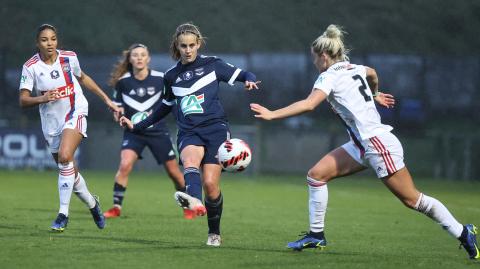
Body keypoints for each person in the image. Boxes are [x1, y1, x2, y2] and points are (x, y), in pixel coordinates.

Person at [250, 24, 479, 259]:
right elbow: (372, 73)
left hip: (377, 144)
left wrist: (272, 114)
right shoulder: (354, 67)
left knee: (413, 200)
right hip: (362, 144)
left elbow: (309, 104)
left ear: (324, 56)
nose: (314, 63)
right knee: (316, 175)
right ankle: (316, 235)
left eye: (314, 58)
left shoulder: (327, 76)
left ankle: (463, 232)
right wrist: (376, 94)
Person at [119, 23, 260, 246]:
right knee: (190, 161)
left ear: (199, 44)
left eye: (192, 45)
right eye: (183, 46)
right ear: (177, 45)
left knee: (211, 186)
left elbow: (243, 73)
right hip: (189, 131)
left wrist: (249, 79)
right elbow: (163, 108)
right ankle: (193, 200)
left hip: (215, 129)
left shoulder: (213, 65)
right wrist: (137, 126)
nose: (188, 50)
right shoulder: (171, 76)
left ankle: (214, 232)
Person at [18, 24, 119, 232]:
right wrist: (43, 98)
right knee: (69, 172)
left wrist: (107, 99)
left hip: (75, 111)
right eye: (45, 40)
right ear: (38, 43)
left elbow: (83, 78)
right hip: (51, 123)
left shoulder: (69, 57)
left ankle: (63, 214)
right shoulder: (31, 66)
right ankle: (92, 203)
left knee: (65, 156)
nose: (50, 43)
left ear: (57, 40)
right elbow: (23, 100)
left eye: (53, 39)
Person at [103, 43, 185, 218]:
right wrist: (119, 116)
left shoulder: (161, 78)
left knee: (174, 173)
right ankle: (116, 207)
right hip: (134, 132)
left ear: (148, 59)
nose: (139, 58)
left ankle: (189, 205)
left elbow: (171, 103)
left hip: (158, 132)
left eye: (142, 55)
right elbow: (117, 109)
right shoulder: (122, 82)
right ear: (130, 59)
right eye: (135, 55)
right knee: (124, 165)